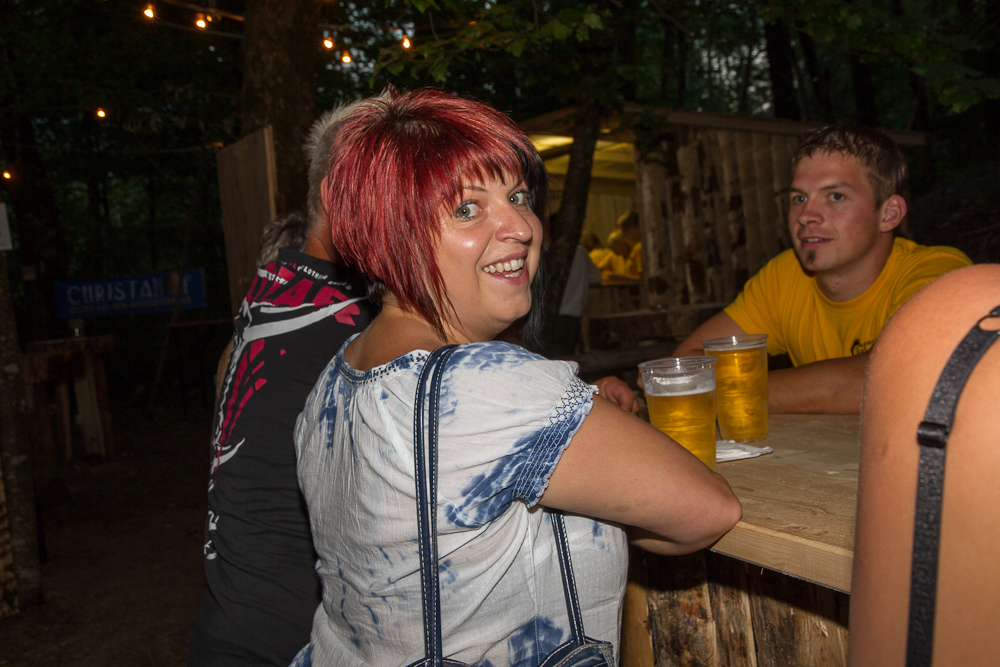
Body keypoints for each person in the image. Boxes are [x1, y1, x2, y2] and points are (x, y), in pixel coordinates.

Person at [292, 89, 741, 667]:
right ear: (389, 235)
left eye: (518, 196)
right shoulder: (482, 386)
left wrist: (580, 423)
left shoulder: (333, 383)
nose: (522, 227)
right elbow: (709, 510)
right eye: (467, 209)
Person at [187, 99, 380, 667]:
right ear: (339, 198)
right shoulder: (354, 324)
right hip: (285, 645)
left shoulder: (276, 290)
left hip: (228, 627)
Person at [671, 125, 971, 414]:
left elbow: (898, 379)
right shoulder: (784, 277)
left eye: (835, 196)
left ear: (889, 214)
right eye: (799, 198)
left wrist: (728, 391)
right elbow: (683, 366)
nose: (806, 215)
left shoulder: (939, 275)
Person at [849, 264, 1000, 666]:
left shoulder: (945, 288)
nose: (803, 227)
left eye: (836, 196)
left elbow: (856, 379)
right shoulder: (781, 278)